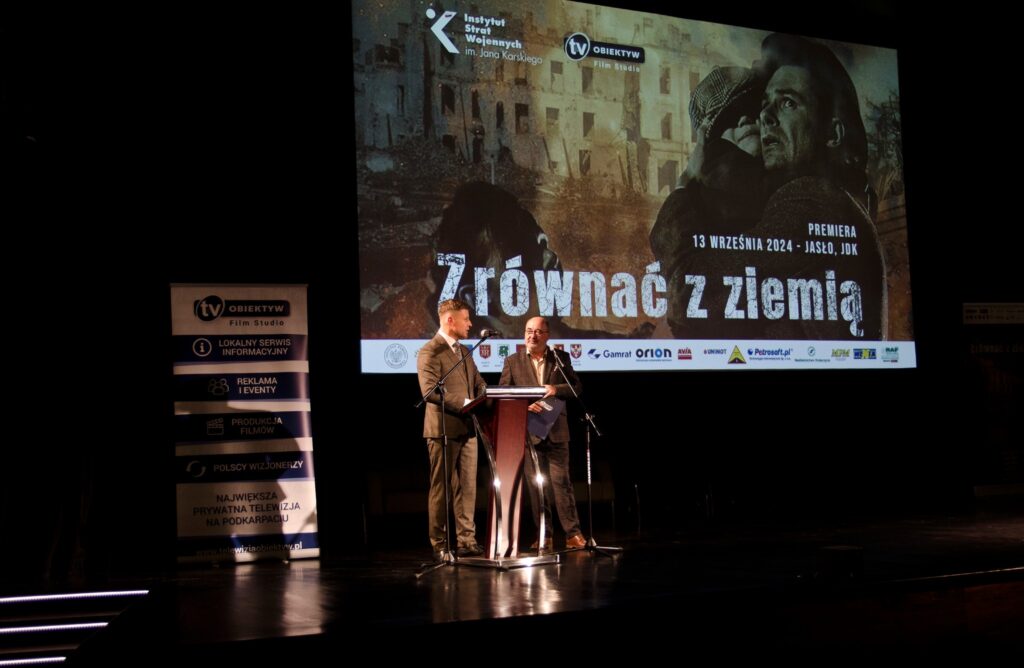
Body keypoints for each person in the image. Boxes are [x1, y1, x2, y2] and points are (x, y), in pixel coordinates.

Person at [655, 34, 886, 341]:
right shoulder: (818, 201)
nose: (764, 117)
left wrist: (682, 189)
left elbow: (691, 294)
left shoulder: (812, 199)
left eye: (788, 103)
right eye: (764, 105)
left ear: (832, 134)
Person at [650, 66, 766, 338]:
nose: (745, 119)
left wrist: (685, 183)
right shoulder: (704, 198)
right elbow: (685, 293)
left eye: (753, 107)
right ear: (708, 142)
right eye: (729, 118)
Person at [499, 316, 586, 551]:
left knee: (561, 483)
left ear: (547, 335)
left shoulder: (560, 358)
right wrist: (524, 406)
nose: (532, 335)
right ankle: (544, 535)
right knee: (537, 487)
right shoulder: (512, 361)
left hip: (557, 430)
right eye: (529, 331)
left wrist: (555, 388)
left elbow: (576, 388)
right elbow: (504, 395)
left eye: (538, 331)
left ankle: (573, 534)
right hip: (530, 432)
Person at [417, 298, 487, 560]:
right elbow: (430, 391)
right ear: (450, 320)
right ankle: (440, 543)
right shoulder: (430, 351)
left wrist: (484, 394)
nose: (470, 324)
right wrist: (466, 403)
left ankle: (467, 539)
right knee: (442, 488)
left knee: (468, 487)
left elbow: (478, 382)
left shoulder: (465, 351)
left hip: (468, 428)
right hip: (443, 429)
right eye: (465, 319)